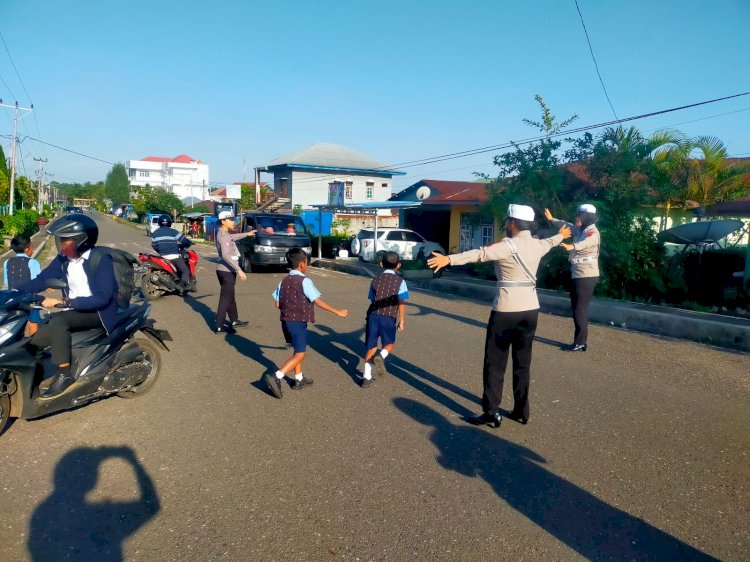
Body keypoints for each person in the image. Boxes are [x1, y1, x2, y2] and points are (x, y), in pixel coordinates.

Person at [428, 204, 571, 428]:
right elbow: (552, 242)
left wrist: (449, 259)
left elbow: (479, 254)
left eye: (506, 221)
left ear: (512, 223)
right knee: (523, 362)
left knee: (495, 362)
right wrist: (561, 235)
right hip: (531, 309)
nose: (505, 224)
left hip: (506, 309)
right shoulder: (538, 244)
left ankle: (491, 412)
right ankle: (522, 411)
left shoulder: (507, 246)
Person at [19, 214, 118, 398]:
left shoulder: (101, 259)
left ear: (82, 240)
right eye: (60, 240)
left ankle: (65, 376)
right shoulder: (64, 259)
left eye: (66, 240)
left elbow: (103, 298)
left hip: (98, 312)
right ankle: (33, 380)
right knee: (32, 344)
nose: (61, 245)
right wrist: (15, 293)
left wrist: (66, 302)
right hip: (72, 312)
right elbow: (42, 280)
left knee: (58, 321)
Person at [264, 248, 348, 398]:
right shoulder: (305, 281)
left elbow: (277, 304)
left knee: (297, 350)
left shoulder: (283, 281)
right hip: (298, 322)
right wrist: (337, 311)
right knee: (301, 353)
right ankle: (276, 376)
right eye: (307, 262)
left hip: (285, 321)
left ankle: (299, 379)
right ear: (302, 263)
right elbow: (317, 301)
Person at [544, 204, 600, 352]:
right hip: (578, 273)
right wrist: (552, 219)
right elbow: (566, 225)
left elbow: (588, 243)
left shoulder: (593, 232)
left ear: (588, 216)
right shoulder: (581, 229)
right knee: (577, 308)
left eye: (581, 215)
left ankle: (580, 342)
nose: (578, 217)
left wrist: (572, 247)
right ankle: (580, 341)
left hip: (587, 275)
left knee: (579, 309)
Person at [361, 251, 408, 388]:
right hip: (389, 317)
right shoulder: (400, 281)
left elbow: (371, 298)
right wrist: (402, 320)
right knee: (389, 344)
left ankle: (366, 377)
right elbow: (401, 302)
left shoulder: (374, 280)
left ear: (381, 264)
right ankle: (381, 356)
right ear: (398, 265)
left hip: (373, 316)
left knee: (371, 346)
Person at [214, 210, 256, 333]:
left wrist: (247, 234)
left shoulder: (224, 233)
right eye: (231, 220)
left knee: (230, 296)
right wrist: (240, 270)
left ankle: (234, 320)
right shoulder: (223, 236)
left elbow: (233, 237)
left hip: (225, 270)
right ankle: (219, 325)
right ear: (223, 221)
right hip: (227, 271)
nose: (233, 222)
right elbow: (226, 256)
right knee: (225, 298)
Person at [4, 236, 43, 336]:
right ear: (26, 249)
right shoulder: (33, 262)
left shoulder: (7, 262)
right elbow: (37, 282)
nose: (33, 249)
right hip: (30, 298)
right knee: (33, 323)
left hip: (13, 299)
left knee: (18, 324)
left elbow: (6, 281)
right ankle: (34, 346)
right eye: (31, 247)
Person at [150, 215, 192, 293]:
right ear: (169, 222)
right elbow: (185, 241)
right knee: (185, 270)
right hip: (174, 256)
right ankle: (183, 286)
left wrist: (160, 251)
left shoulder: (155, 233)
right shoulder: (173, 231)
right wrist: (188, 243)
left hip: (162, 257)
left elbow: (154, 245)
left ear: (159, 222)